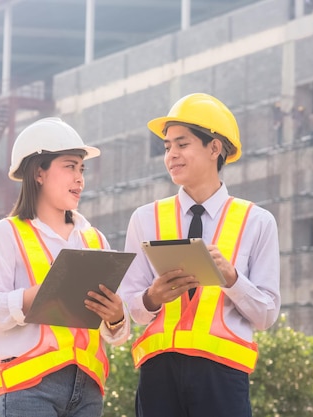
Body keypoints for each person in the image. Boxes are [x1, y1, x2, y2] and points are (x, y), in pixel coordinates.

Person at [119, 93, 281, 417]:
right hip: (157, 375)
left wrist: (232, 278)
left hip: (222, 376)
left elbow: (267, 314)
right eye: (167, 147)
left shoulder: (257, 222)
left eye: (182, 144)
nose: (171, 155)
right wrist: (152, 297)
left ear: (214, 148)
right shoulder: (145, 219)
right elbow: (129, 306)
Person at [0, 117, 130, 417]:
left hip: (89, 389)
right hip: (30, 387)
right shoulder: (7, 234)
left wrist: (117, 317)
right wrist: (36, 296)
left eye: (81, 169)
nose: (80, 178)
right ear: (39, 173)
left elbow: (117, 335)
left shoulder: (94, 239)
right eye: (70, 166)